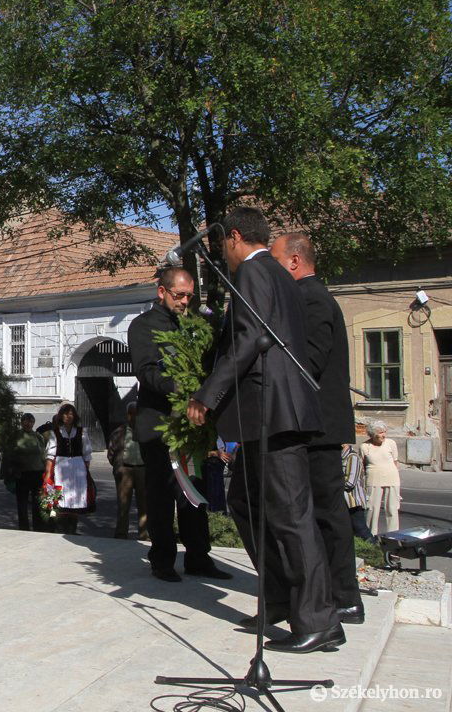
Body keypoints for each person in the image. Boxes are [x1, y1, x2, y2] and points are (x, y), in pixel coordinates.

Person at [187, 206, 340, 654]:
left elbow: (251, 337)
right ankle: (276, 597)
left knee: (292, 518)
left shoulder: (255, 271)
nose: (223, 254)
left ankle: (319, 621)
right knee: (244, 501)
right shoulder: (278, 274)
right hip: (266, 413)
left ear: (234, 237)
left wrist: (206, 394)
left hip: (275, 411)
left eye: (222, 246)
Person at [271, 232, 363, 624]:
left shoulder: (311, 298)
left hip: (318, 426)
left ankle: (345, 597)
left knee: (327, 512)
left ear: (294, 261)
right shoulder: (307, 296)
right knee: (319, 511)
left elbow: (307, 361)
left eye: (275, 259)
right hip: (314, 424)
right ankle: (327, 590)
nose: (271, 267)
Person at [128, 267, 231, 582]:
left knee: (195, 492)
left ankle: (198, 557)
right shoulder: (143, 326)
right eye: (179, 295)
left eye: (189, 296)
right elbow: (146, 371)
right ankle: (162, 559)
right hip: (159, 426)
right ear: (162, 292)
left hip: (191, 423)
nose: (185, 301)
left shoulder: (192, 327)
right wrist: (182, 388)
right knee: (162, 495)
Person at [43, 403, 90, 535]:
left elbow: (87, 454)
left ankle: (72, 529)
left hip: (78, 467)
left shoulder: (82, 432)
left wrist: (86, 471)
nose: (68, 416)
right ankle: (60, 528)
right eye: (65, 414)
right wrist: (47, 473)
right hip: (61, 468)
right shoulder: (55, 433)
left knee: (76, 496)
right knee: (60, 496)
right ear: (61, 416)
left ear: (74, 416)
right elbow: (50, 454)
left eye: (70, 414)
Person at [108, 403, 148, 540]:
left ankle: (144, 533)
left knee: (144, 504)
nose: (134, 417)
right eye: (131, 413)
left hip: (143, 469)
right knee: (123, 504)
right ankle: (121, 533)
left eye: (136, 413)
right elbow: (111, 453)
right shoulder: (119, 432)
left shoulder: (146, 431)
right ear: (127, 415)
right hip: (125, 470)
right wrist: (118, 467)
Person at [362, 420, 402, 536]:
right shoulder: (364, 446)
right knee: (372, 509)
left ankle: (393, 536)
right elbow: (363, 465)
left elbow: (395, 462)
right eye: (380, 432)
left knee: (392, 509)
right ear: (373, 434)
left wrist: (397, 478)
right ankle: (370, 537)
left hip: (392, 478)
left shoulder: (391, 443)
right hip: (373, 479)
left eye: (384, 431)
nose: (383, 435)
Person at [12, 412, 47, 531]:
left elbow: (43, 454)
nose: (28, 423)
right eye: (25, 421)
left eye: (31, 421)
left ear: (33, 423)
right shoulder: (16, 436)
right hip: (22, 474)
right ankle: (24, 529)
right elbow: (9, 454)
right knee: (22, 504)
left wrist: (46, 471)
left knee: (37, 504)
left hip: (37, 474)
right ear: (21, 422)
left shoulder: (38, 436)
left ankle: (38, 528)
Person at [342, 443, 374, 541]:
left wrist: (333, 484)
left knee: (361, 530)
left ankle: (374, 550)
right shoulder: (340, 457)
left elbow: (350, 482)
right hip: (344, 501)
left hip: (354, 501)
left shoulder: (352, 457)